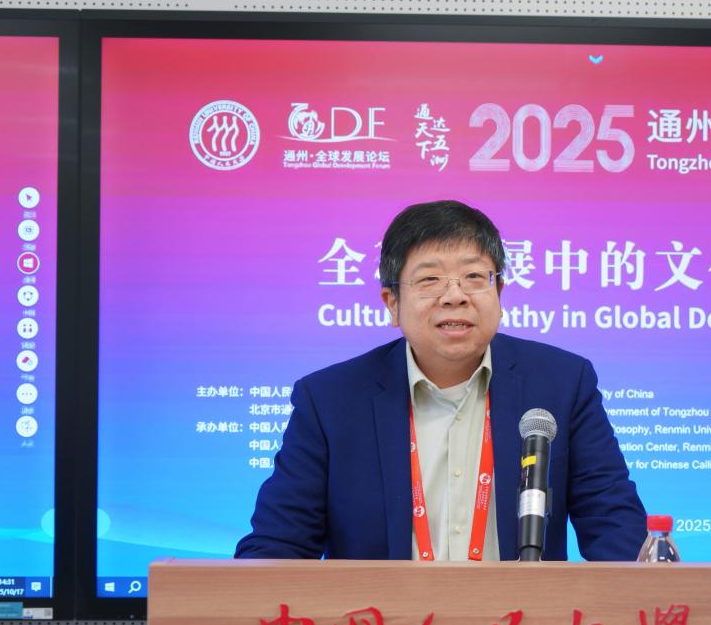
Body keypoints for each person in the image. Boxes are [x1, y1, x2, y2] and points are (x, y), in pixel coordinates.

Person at [235, 200, 646, 561]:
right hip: (381, 624)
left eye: (474, 277)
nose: (455, 295)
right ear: (392, 302)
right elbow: (276, 548)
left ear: (499, 293)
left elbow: (616, 528)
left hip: (524, 624)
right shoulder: (329, 401)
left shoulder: (562, 383)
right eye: (430, 279)